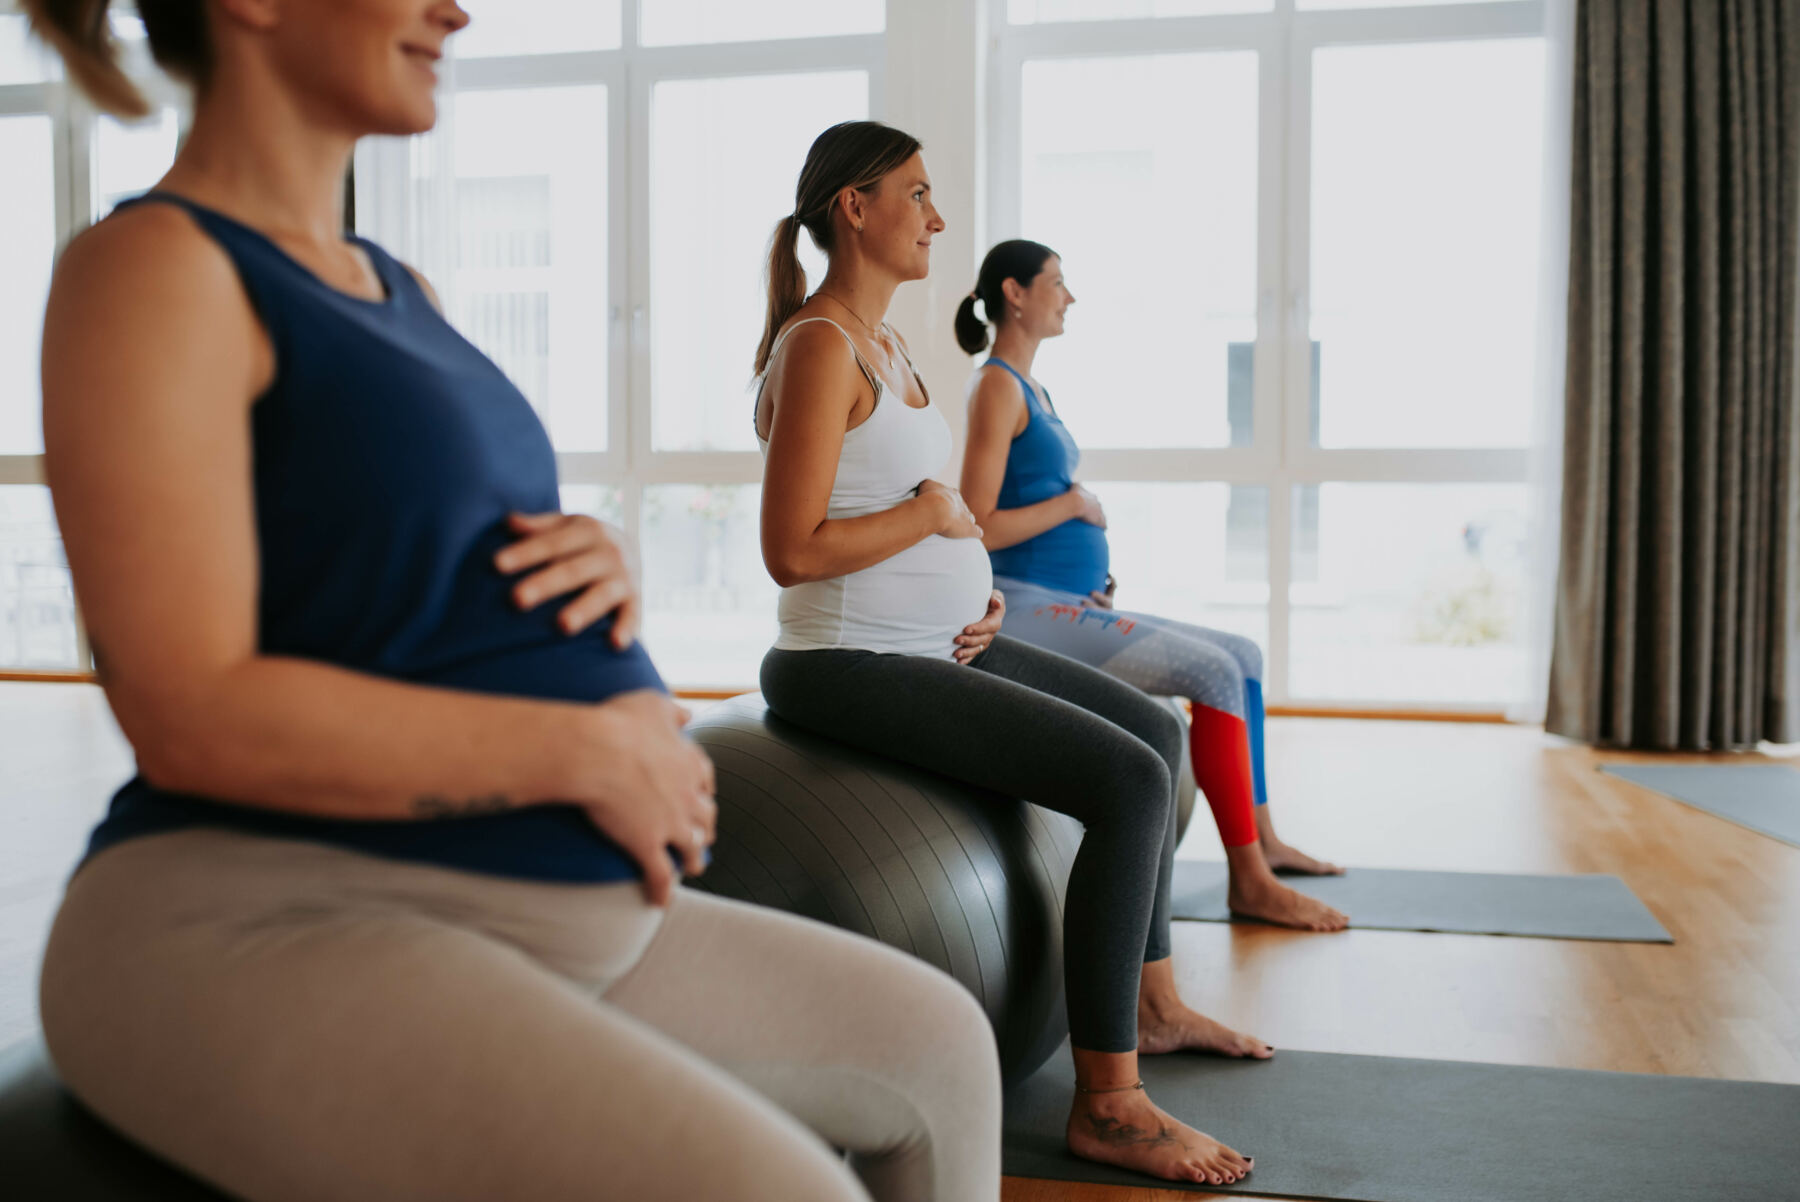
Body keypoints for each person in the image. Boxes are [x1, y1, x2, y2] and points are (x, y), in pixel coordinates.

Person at [27, 5, 999, 1200]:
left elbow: (389, 553)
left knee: (942, 1049)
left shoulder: (398, 283)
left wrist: (592, 564)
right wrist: (578, 743)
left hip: (534, 907)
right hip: (268, 910)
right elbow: (186, 707)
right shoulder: (153, 269)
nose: (456, 6)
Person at [755, 120, 1262, 1189]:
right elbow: (792, 551)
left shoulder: (886, 344)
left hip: (941, 639)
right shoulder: (820, 345)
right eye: (917, 192)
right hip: (850, 661)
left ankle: (1154, 1003)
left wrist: (972, 581)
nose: (937, 217)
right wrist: (937, 514)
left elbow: (905, 513)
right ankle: (1111, 1105)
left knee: (1157, 737)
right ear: (856, 207)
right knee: (1125, 782)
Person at [956, 240, 1349, 934]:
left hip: (1069, 600)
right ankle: (1248, 881)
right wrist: (1074, 507)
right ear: (1015, 294)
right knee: (1211, 672)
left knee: (1245, 657)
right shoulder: (996, 385)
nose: (1068, 296)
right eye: (1057, 282)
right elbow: (976, 523)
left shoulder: (1035, 389)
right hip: (1019, 606)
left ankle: (1265, 838)